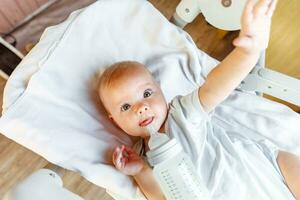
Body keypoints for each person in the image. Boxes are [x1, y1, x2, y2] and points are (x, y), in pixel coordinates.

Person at [98, 0, 300, 199]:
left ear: (161, 92)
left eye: (147, 94)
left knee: (284, 161)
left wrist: (247, 53)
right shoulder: (142, 157)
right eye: (125, 106)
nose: (141, 108)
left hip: (259, 175)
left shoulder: (181, 114)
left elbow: (215, 88)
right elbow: (161, 197)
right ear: (114, 120)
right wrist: (140, 171)